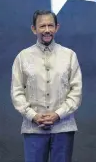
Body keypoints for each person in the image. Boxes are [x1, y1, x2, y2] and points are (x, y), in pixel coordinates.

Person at [11, 10, 82, 162]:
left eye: (51, 25)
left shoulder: (69, 55)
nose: (47, 30)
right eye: (42, 26)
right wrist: (33, 116)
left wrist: (58, 114)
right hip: (33, 128)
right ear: (34, 29)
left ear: (57, 27)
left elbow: (76, 92)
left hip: (64, 127)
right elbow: (17, 93)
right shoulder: (22, 57)